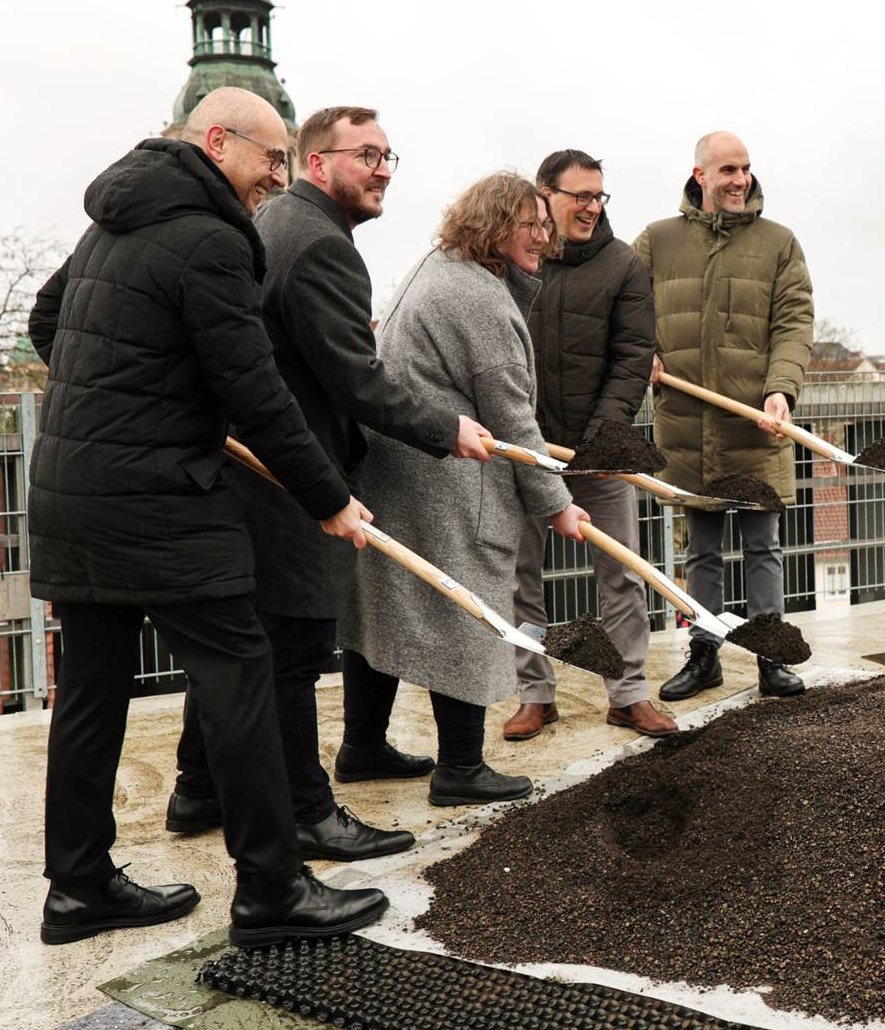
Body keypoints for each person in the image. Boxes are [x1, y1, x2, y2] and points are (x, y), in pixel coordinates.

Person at [27, 87, 387, 947]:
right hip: (160, 500)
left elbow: (49, 322)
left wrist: (128, 399)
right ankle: (272, 891)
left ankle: (77, 888)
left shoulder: (109, 222)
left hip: (73, 490)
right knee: (241, 674)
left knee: (90, 692)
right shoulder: (213, 238)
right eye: (271, 158)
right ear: (218, 143)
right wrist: (328, 498)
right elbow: (255, 391)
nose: (279, 177)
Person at [167, 106, 492, 863]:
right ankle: (307, 812)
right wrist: (444, 426)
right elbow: (356, 378)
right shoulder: (320, 245)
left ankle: (198, 787)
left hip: (251, 468)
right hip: (291, 477)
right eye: (365, 155)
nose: (382, 171)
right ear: (317, 163)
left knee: (247, 640)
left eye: (388, 157)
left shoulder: (275, 224)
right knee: (292, 649)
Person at [344, 172, 590, 805]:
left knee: (384, 611)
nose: (545, 238)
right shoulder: (478, 298)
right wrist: (558, 506)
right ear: (495, 225)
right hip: (445, 485)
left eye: (546, 226)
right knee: (465, 611)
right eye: (531, 226)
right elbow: (514, 421)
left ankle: (362, 746)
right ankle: (461, 768)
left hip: (396, 472)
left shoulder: (441, 264)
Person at [633, 131, 814, 701]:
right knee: (702, 551)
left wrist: (781, 390)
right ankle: (704, 655)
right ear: (701, 175)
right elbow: (627, 309)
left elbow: (794, 323)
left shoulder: (778, 242)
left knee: (763, 548)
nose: (741, 180)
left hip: (755, 426)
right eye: (729, 169)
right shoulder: (657, 241)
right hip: (687, 427)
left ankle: (771, 658)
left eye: (746, 168)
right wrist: (643, 351)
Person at [503, 150, 677, 741]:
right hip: (525, 449)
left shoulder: (624, 265)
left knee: (621, 571)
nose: (591, 207)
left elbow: (632, 359)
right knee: (520, 576)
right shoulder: (515, 259)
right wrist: (519, 434)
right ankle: (534, 694)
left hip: (599, 453)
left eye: (598, 196)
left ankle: (629, 695)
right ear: (545, 195)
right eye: (580, 195)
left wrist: (602, 439)